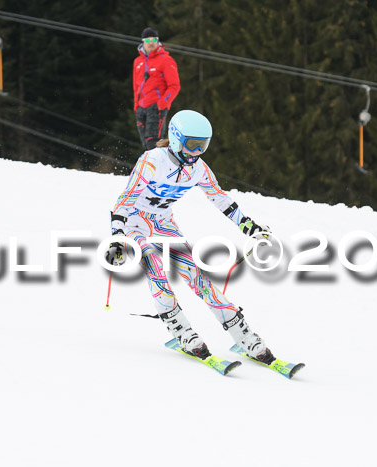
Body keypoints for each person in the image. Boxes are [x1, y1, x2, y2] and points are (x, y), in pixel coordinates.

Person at [106, 110, 275, 363]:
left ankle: (245, 336)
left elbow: (221, 199)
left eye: (203, 146)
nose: (196, 152)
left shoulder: (199, 169)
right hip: (135, 223)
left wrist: (250, 227)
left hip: (163, 223)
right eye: (192, 145)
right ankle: (182, 331)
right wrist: (118, 238)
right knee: (155, 267)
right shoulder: (153, 160)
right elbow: (125, 200)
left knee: (197, 276)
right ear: (175, 139)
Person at [133, 27, 180, 151]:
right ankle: (150, 168)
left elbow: (174, 86)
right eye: (147, 40)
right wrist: (136, 105)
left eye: (154, 39)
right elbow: (136, 86)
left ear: (158, 41)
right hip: (141, 108)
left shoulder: (166, 60)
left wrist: (162, 103)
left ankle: (160, 168)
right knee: (145, 143)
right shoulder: (138, 61)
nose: (151, 43)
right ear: (143, 42)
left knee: (153, 142)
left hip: (156, 107)